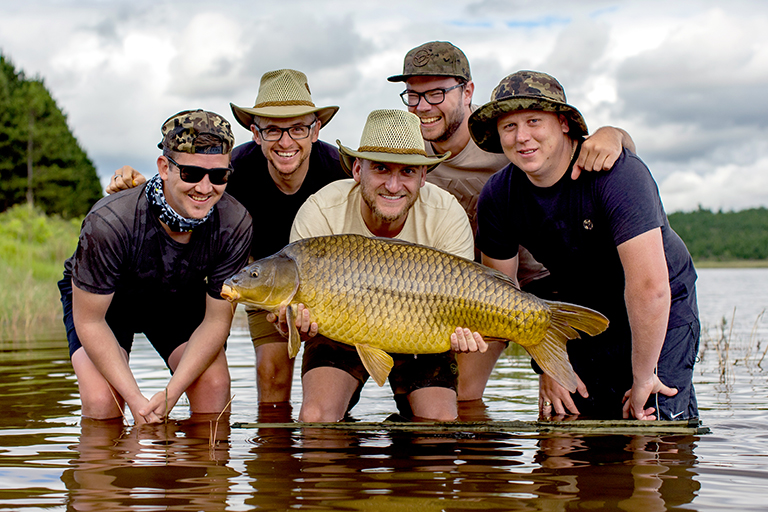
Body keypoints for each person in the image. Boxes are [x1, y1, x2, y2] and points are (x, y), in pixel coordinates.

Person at [388, 40, 638, 402]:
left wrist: (615, 133)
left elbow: (586, 151)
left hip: (529, 287)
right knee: (422, 403)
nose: (423, 106)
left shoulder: (505, 145)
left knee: (465, 396)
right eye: (413, 96)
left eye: (437, 93)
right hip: (439, 295)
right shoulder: (404, 154)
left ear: (467, 91)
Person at [107, 69, 348, 404]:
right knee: (272, 374)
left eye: (297, 128)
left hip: (333, 289)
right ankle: (273, 451)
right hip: (262, 279)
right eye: (273, 129)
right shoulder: (232, 169)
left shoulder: (340, 171)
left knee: (331, 395)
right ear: (256, 133)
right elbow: (189, 191)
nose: (286, 141)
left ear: (315, 130)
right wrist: (140, 184)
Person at [469, 70, 699, 421]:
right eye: (509, 127)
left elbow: (650, 288)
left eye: (534, 121)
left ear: (563, 123)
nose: (522, 137)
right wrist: (547, 363)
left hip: (659, 302)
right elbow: (501, 295)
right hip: (579, 306)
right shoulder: (499, 196)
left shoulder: (616, 174)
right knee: (568, 425)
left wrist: (643, 377)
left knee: (654, 429)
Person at [283, 109, 487, 422]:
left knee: (439, 427)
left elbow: (464, 300)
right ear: (357, 170)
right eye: (380, 168)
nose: (393, 185)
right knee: (315, 419)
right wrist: (290, 324)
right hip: (341, 333)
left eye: (407, 171)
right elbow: (295, 316)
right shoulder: (321, 212)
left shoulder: (446, 213)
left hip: (422, 331)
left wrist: (467, 332)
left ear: (423, 177)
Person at [59, 109, 253, 424]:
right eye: (191, 174)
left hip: (176, 296)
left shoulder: (235, 223)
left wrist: (171, 393)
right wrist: (136, 400)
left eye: (218, 176)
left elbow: (217, 321)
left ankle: (197, 467)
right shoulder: (109, 222)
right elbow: (90, 322)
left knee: (214, 387)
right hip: (109, 306)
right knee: (102, 400)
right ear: (164, 168)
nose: (205, 188)